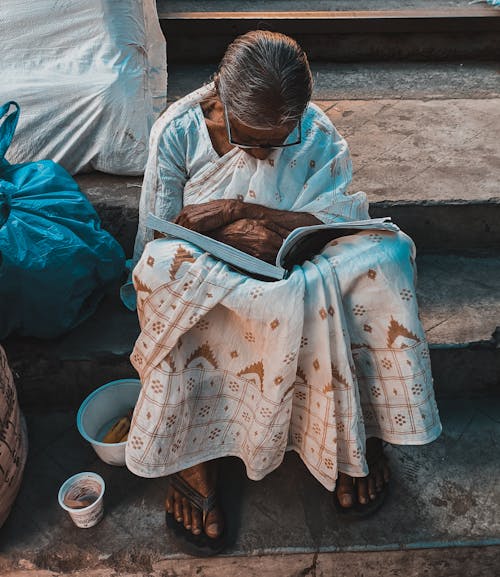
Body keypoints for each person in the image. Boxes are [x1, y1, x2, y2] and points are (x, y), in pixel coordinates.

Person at [124, 30, 441, 556]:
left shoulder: (314, 130)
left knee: (388, 260)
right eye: (251, 141)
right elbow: (158, 234)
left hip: (305, 264)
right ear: (220, 102)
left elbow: (337, 218)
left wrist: (241, 211)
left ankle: (360, 438)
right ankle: (193, 455)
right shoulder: (178, 133)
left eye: (277, 141)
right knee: (161, 272)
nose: (264, 154)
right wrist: (223, 235)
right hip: (215, 270)